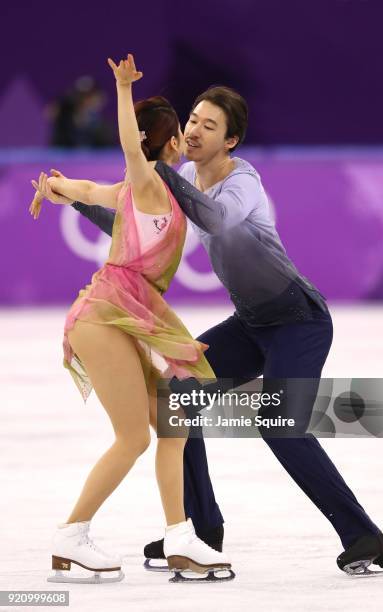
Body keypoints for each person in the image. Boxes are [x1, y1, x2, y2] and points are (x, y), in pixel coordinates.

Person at [51, 83, 383, 577]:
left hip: (299, 320)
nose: (193, 129)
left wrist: (161, 170)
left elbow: (214, 217)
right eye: (192, 119)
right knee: (176, 400)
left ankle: (365, 538)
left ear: (230, 141)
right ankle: (198, 530)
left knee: (281, 428)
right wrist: (78, 201)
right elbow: (140, 230)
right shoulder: (184, 175)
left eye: (208, 125)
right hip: (251, 323)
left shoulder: (243, 183)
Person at [29, 54, 233, 584]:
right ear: (166, 145)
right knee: (133, 438)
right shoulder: (146, 183)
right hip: (105, 315)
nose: (189, 138)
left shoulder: (142, 195)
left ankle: (180, 537)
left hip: (129, 315)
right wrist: (122, 90)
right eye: (182, 133)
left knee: (173, 426)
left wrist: (55, 186)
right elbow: (127, 151)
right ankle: (70, 537)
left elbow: (88, 191)